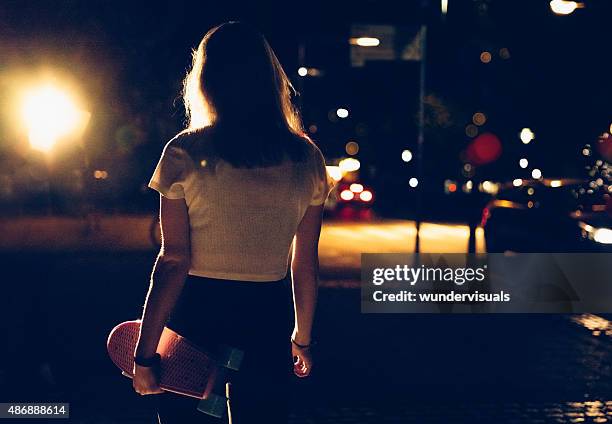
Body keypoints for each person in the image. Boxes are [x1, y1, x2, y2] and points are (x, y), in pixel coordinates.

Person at [131, 21, 334, 423]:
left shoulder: (183, 153)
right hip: (267, 316)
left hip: (198, 317)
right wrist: (303, 338)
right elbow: (305, 265)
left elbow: (173, 262)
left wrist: (145, 353)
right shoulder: (307, 159)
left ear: (206, 80)